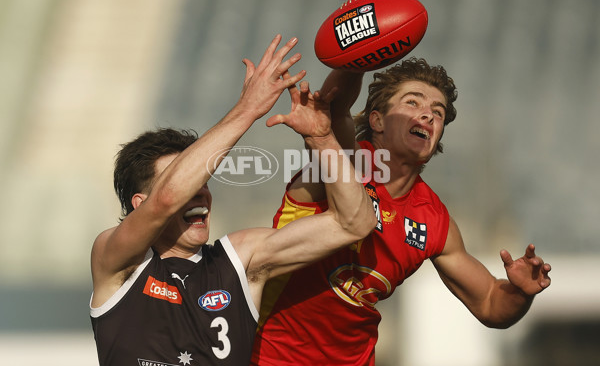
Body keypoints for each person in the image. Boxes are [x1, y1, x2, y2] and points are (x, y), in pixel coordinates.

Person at [89, 35, 377, 366]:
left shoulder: (239, 261)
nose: (200, 190)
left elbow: (355, 223)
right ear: (139, 204)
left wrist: (322, 139)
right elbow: (166, 199)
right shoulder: (115, 260)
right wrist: (247, 109)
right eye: (188, 182)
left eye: (203, 181)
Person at [251, 58, 552, 365]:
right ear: (377, 120)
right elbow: (335, 106)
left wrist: (521, 293)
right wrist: (362, 53)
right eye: (412, 102)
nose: (428, 115)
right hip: (268, 356)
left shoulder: (434, 221)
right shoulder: (345, 160)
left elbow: (489, 303)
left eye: (438, 112)